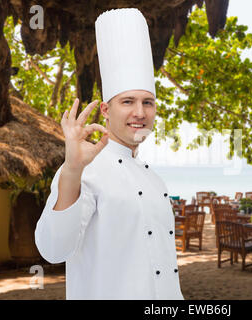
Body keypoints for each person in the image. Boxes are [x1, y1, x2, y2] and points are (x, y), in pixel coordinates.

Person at [35, 8, 184, 300]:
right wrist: (73, 170)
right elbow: (53, 250)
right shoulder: (84, 169)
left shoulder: (155, 180)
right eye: (127, 101)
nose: (140, 113)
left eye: (148, 102)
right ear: (105, 110)